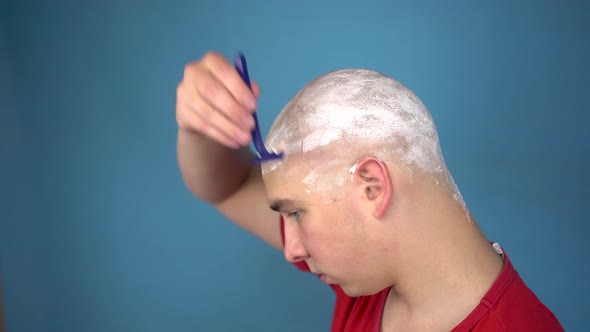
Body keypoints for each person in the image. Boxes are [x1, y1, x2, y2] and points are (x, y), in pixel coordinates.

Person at [176, 51, 564, 331]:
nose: (291, 248)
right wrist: (198, 126)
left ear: (372, 187)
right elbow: (225, 188)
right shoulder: (368, 277)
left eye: (295, 212)